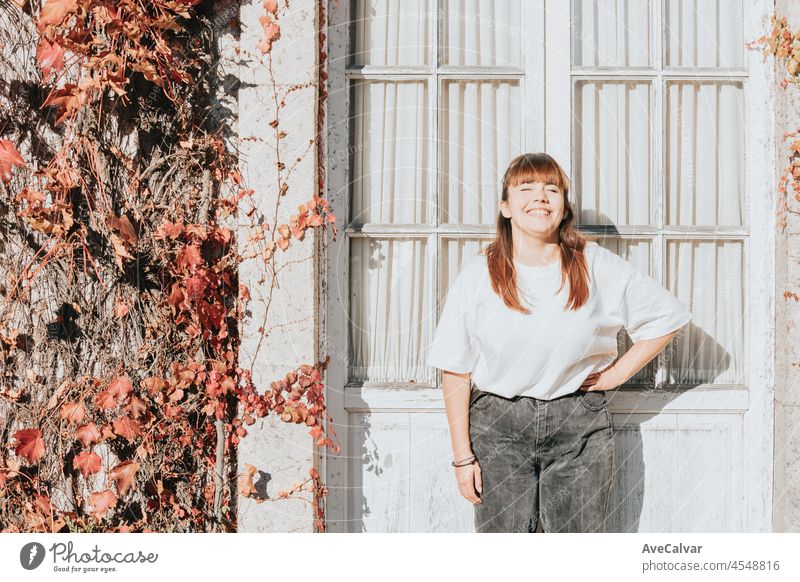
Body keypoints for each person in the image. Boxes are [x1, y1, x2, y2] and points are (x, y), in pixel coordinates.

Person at [426, 152, 692, 533]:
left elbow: (668, 316)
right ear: (505, 206)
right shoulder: (477, 273)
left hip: (578, 425)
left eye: (552, 189)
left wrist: (617, 374)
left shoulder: (595, 264)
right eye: (527, 188)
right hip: (499, 426)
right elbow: (455, 370)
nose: (541, 197)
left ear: (563, 207)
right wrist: (462, 457)